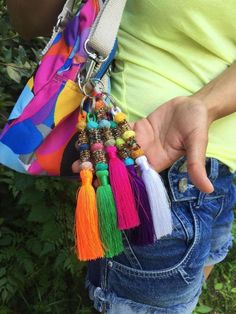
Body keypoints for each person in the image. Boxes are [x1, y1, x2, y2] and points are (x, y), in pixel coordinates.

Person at [6, 1, 236, 313]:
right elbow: (33, 19)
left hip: (202, 167)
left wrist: (206, 107)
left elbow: (28, 22)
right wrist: (207, 106)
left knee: (190, 284)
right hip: (142, 162)